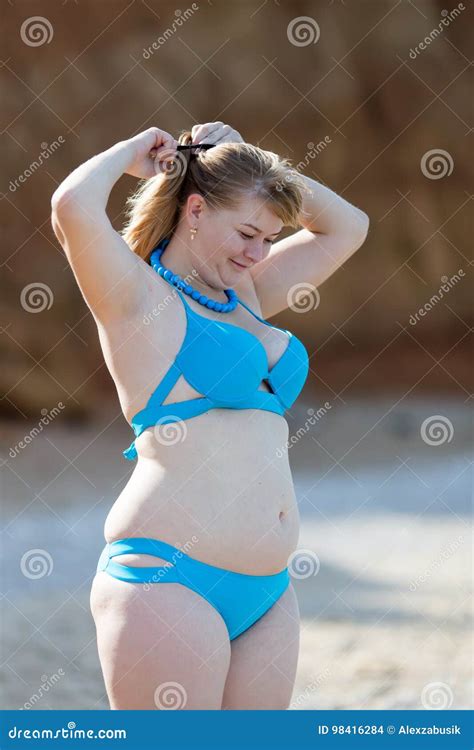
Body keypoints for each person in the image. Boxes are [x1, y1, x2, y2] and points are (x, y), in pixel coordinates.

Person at [50, 122, 369, 710]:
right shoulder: (136, 299)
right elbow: (71, 206)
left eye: (270, 239)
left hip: (269, 593)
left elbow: (349, 227)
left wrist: (258, 164)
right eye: (248, 232)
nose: (258, 252)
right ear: (195, 210)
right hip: (169, 580)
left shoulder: (243, 292)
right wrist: (131, 153)